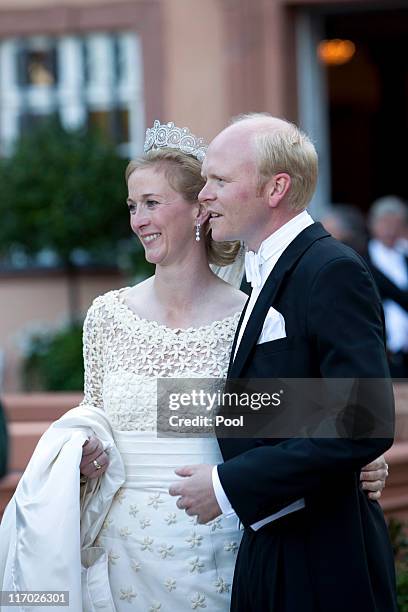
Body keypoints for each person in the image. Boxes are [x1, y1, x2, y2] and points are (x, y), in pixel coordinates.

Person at [0, 120, 388, 611]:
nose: (138, 219)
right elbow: (98, 411)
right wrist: (81, 452)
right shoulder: (106, 316)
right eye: (132, 206)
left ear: (199, 211)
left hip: (221, 540)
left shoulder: (253, 310)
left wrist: (361, 457)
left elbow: (302, 409)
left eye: (153, 203)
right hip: (124, 549)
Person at [169, 113, 397, 612]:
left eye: (220, 180)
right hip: (273, 541)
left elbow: (364, 421)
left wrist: (229, 485)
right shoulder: (260, 271)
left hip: (323, 557)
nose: (203, 194)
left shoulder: (330, 269)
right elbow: (286, 400)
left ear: (276, 188)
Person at [368, 195, 408, 377]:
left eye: (396, 224)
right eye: (385, 223)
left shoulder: (405, 256)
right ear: (373, 224)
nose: (390, 230)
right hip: (380, 351)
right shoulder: (362, 257)